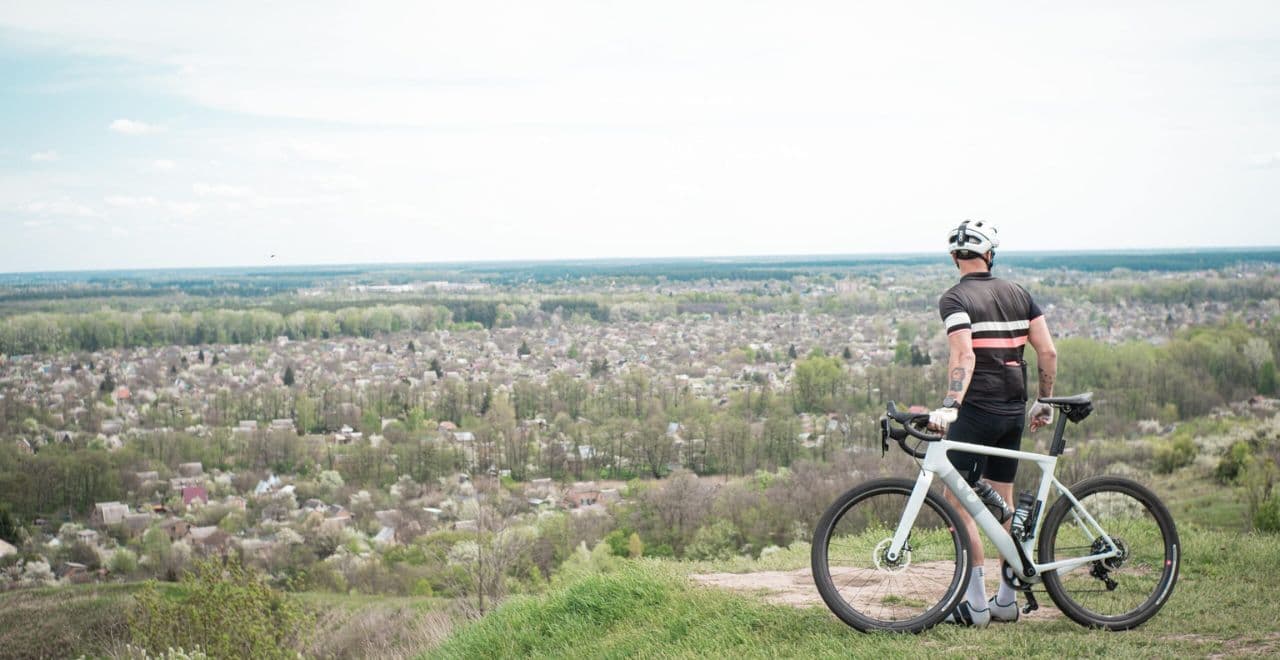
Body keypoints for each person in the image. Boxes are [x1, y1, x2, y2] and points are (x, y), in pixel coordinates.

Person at [926, 220, 1058, 628]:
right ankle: (1005, 601)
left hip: (977, 409)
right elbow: (1048, 352)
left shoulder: (955, 298)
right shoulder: (1019, 294)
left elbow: (964, 357)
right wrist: (1045, 401)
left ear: (954, 258)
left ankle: (976, 605)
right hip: (1013, 409)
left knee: (960, 500)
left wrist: (950, 404)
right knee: (1002, 501)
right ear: (991, 254)